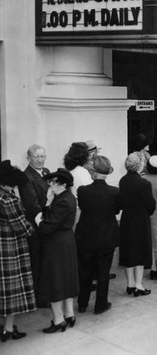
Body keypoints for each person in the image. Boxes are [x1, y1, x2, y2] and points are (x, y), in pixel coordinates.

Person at [35, 168, 79, 333]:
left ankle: (58, 320)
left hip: (56, 243)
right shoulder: (66, 198)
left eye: (54, 182)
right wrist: (47, 203)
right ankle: (69, 314)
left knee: (54, 280)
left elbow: (48, 226)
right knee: (65, 279)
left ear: (64, 184)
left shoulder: (62, 201)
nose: (50, 184)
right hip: (65, 241)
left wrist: (38, 221)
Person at [75, 156, 121, 315]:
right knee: (103, 272)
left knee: (85, 271)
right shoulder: (114, 192)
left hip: (86, 236)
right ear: (107, 173)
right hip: (107, 236)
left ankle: (82, 303)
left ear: (93, 172)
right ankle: (100, 304)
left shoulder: (83, 191)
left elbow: (82, 207)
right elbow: (116, 210)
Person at [0, 161, 35, 342]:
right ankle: (7, 328)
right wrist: (34, 226)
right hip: (10, 250)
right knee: (11, 291)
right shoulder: (9, 200)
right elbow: (22, 228)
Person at [119, 153, 156, 297]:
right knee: (140, 253)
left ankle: (130, 284)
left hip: (127, 220)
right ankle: (139, 285)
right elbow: (151, 205)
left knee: (129, 252)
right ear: (140, 165)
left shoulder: (122, 181)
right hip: (141, 221)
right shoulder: (144, 183)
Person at [18, 144, 50, 308]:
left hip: (48, 224)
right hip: (37, 226)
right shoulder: (26, 177)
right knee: (37, 261)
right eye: (36, 157)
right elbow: (32, 205)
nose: (40, 160)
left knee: (46, 260)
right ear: (28, 158)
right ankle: (39, 297)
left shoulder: (46, 172)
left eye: (42, 156)